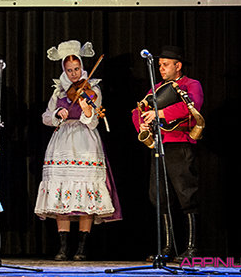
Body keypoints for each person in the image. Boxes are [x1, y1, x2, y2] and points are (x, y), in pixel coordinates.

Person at [34, 40, 120, 261]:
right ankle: (63, 247)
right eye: (69, 70)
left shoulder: (93, 89)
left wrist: (87, 111)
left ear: (82, 67)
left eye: (76, 69)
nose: (74, 74)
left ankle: (82, 247)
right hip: (62, 141)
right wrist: (57, 115)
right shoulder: (59, 90)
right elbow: (45, 117)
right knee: (62, 192)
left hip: (85, 141)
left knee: (85, 191)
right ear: (64, 70)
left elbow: (93, 122)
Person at [131, 45, 203, 262]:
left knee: (186, 194)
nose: (161, 69)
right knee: (159, 197)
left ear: (177, 66)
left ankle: (191, 247)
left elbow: (191, 106)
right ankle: (168, 247)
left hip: (179, 144)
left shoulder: (191, 84)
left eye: (165, 65)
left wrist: (160, 113)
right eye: (160, 65)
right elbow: (138, 111)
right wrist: (142, 125)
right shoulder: (156, 89)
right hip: (159, 146)